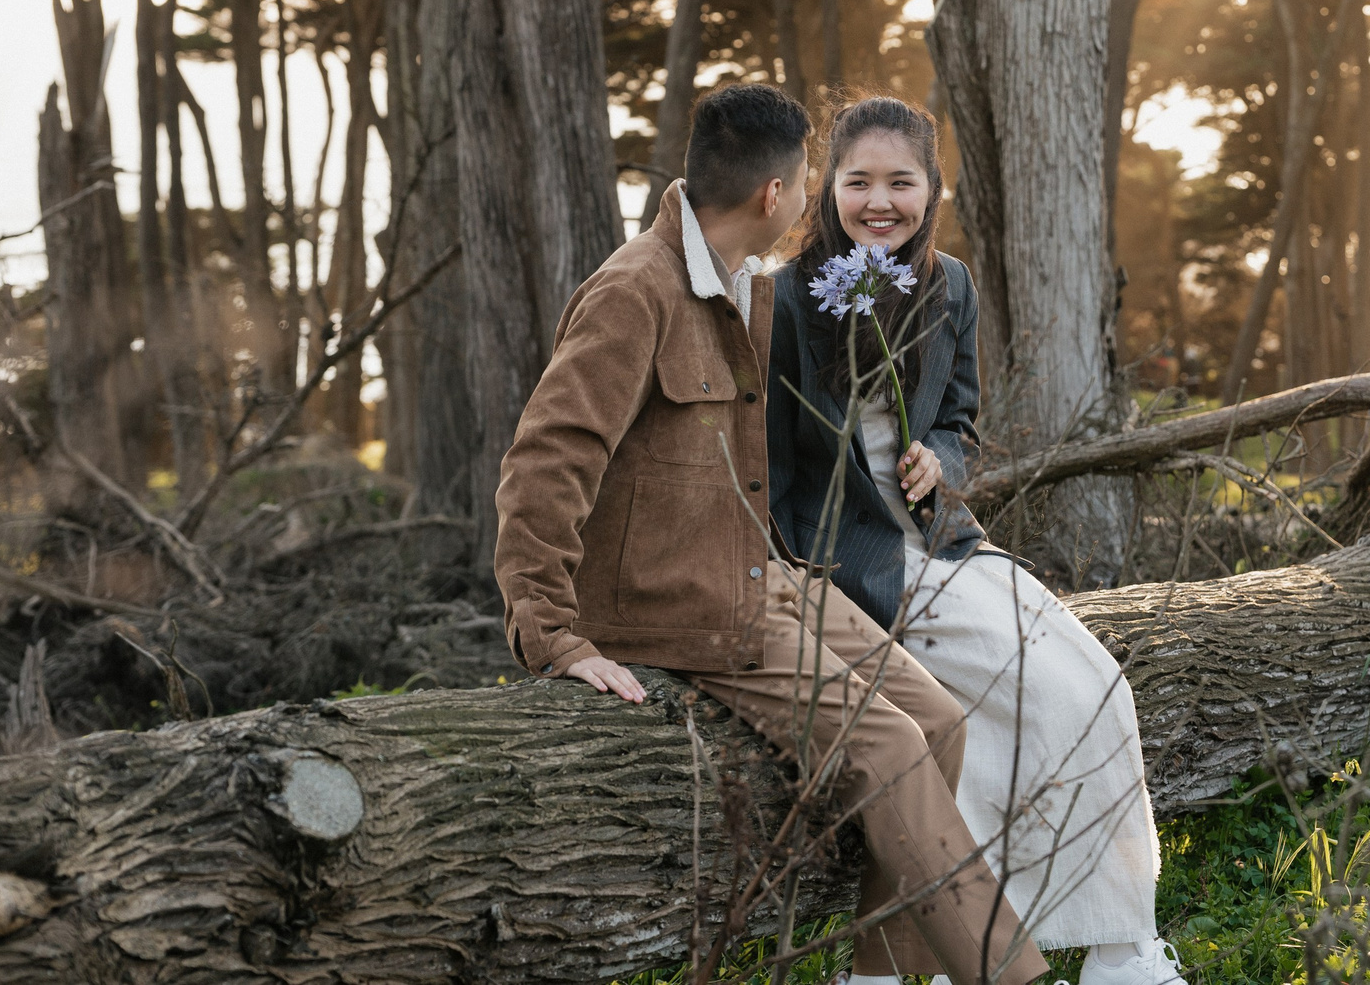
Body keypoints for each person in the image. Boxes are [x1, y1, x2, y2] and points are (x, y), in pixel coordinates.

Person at [494, 83, 1054, 985]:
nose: (811, 200)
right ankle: (1015, 976)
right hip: (679, 602)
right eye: (808, 181)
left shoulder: (741, 286)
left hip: (761, 569)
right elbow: (543, 462)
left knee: (941, 722)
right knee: (891, 745)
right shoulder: (636, 292)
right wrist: (553, 634)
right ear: (774, 195)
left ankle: (871, 977)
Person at [767, 95, 1184, 985]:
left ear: (933, 187)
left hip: (947, 541)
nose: (880, 202)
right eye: (858, 182)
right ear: (827, 190)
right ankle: (930, 957)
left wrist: (938, 461)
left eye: (901, 182)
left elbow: (958, 418)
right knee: (1011, 700)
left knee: (1099, 686)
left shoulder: (949, 284)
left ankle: (1121, 947)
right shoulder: (787, 298)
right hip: (849, 560)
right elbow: (769, 464)